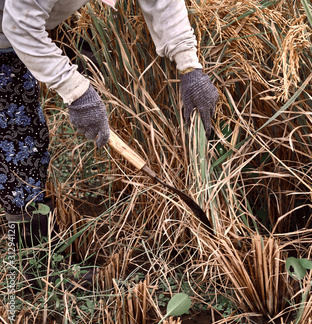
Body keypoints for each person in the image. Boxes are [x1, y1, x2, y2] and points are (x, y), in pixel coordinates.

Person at [0, 0, 218, 288]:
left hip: (8, 45)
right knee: (22, 148)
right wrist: (76, 92)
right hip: (8, 37)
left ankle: (31, 259)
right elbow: (20, 27)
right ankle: (31, 270)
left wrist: (190, 66)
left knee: (24, 144)